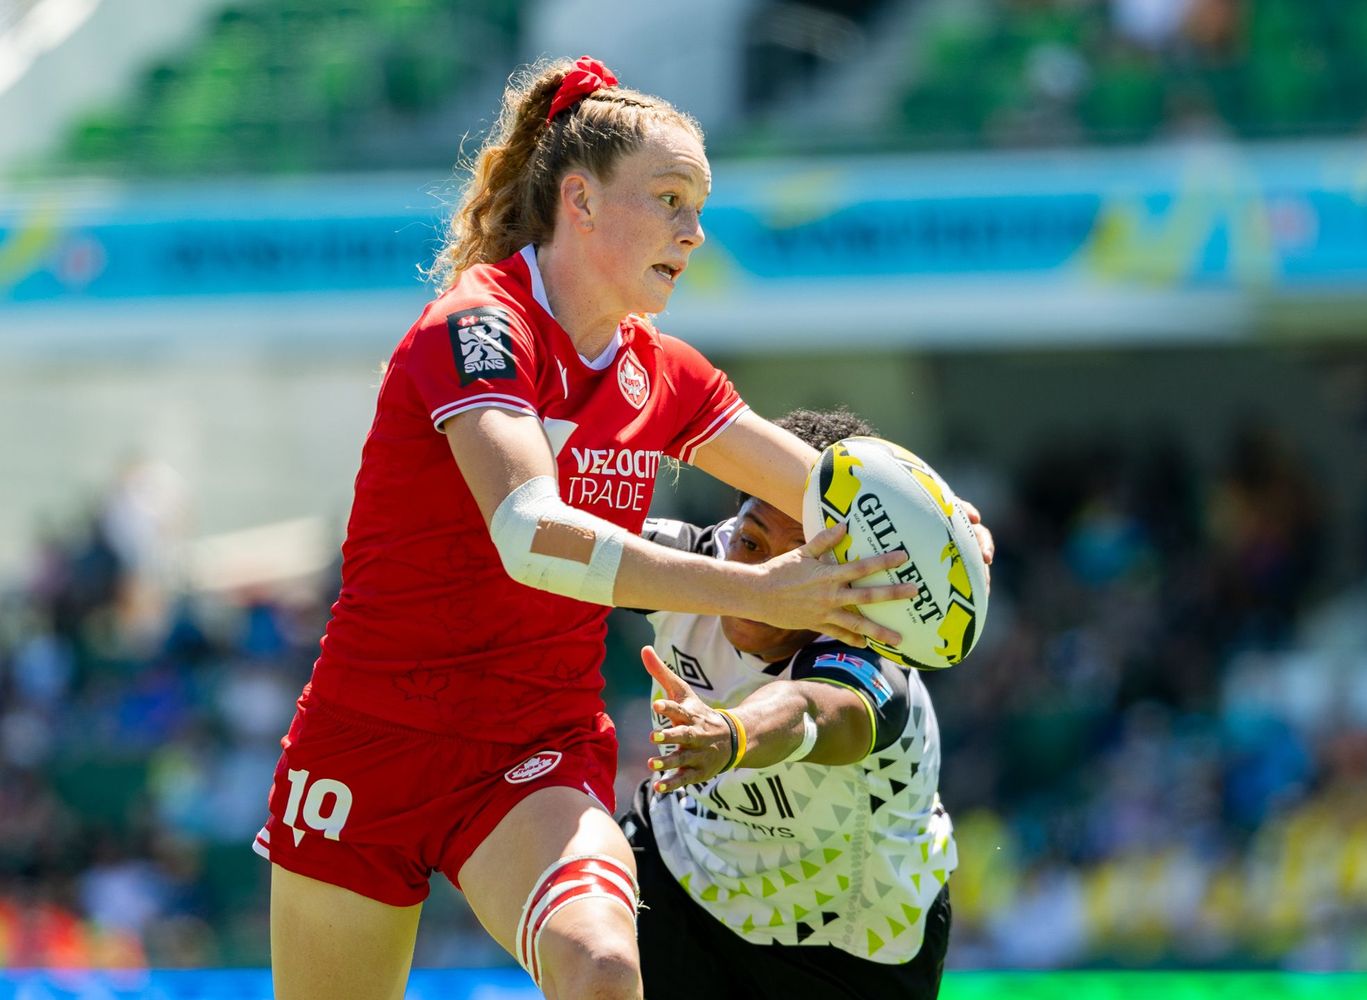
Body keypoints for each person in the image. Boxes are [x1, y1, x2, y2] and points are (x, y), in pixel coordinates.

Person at [253, 57, 986, 1000]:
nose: (695, 229)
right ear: (581, 201)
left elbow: (824, 486)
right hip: (369, 740)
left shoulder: (665, 373)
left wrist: (950, 531)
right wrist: (755, 591)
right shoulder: (477, 326)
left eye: (700, 205)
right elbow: (529, 533)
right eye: (671, 198)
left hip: (532, 753)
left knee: (600, 963)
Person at [620, 407, 956, 1000]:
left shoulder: (874, 658)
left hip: (849, 941)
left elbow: (810, 709)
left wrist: (731, 735)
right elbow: (561, 551)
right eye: (751, 543)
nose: (764, 578)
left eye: (802, 562)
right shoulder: (689, 561)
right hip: (682, 873)